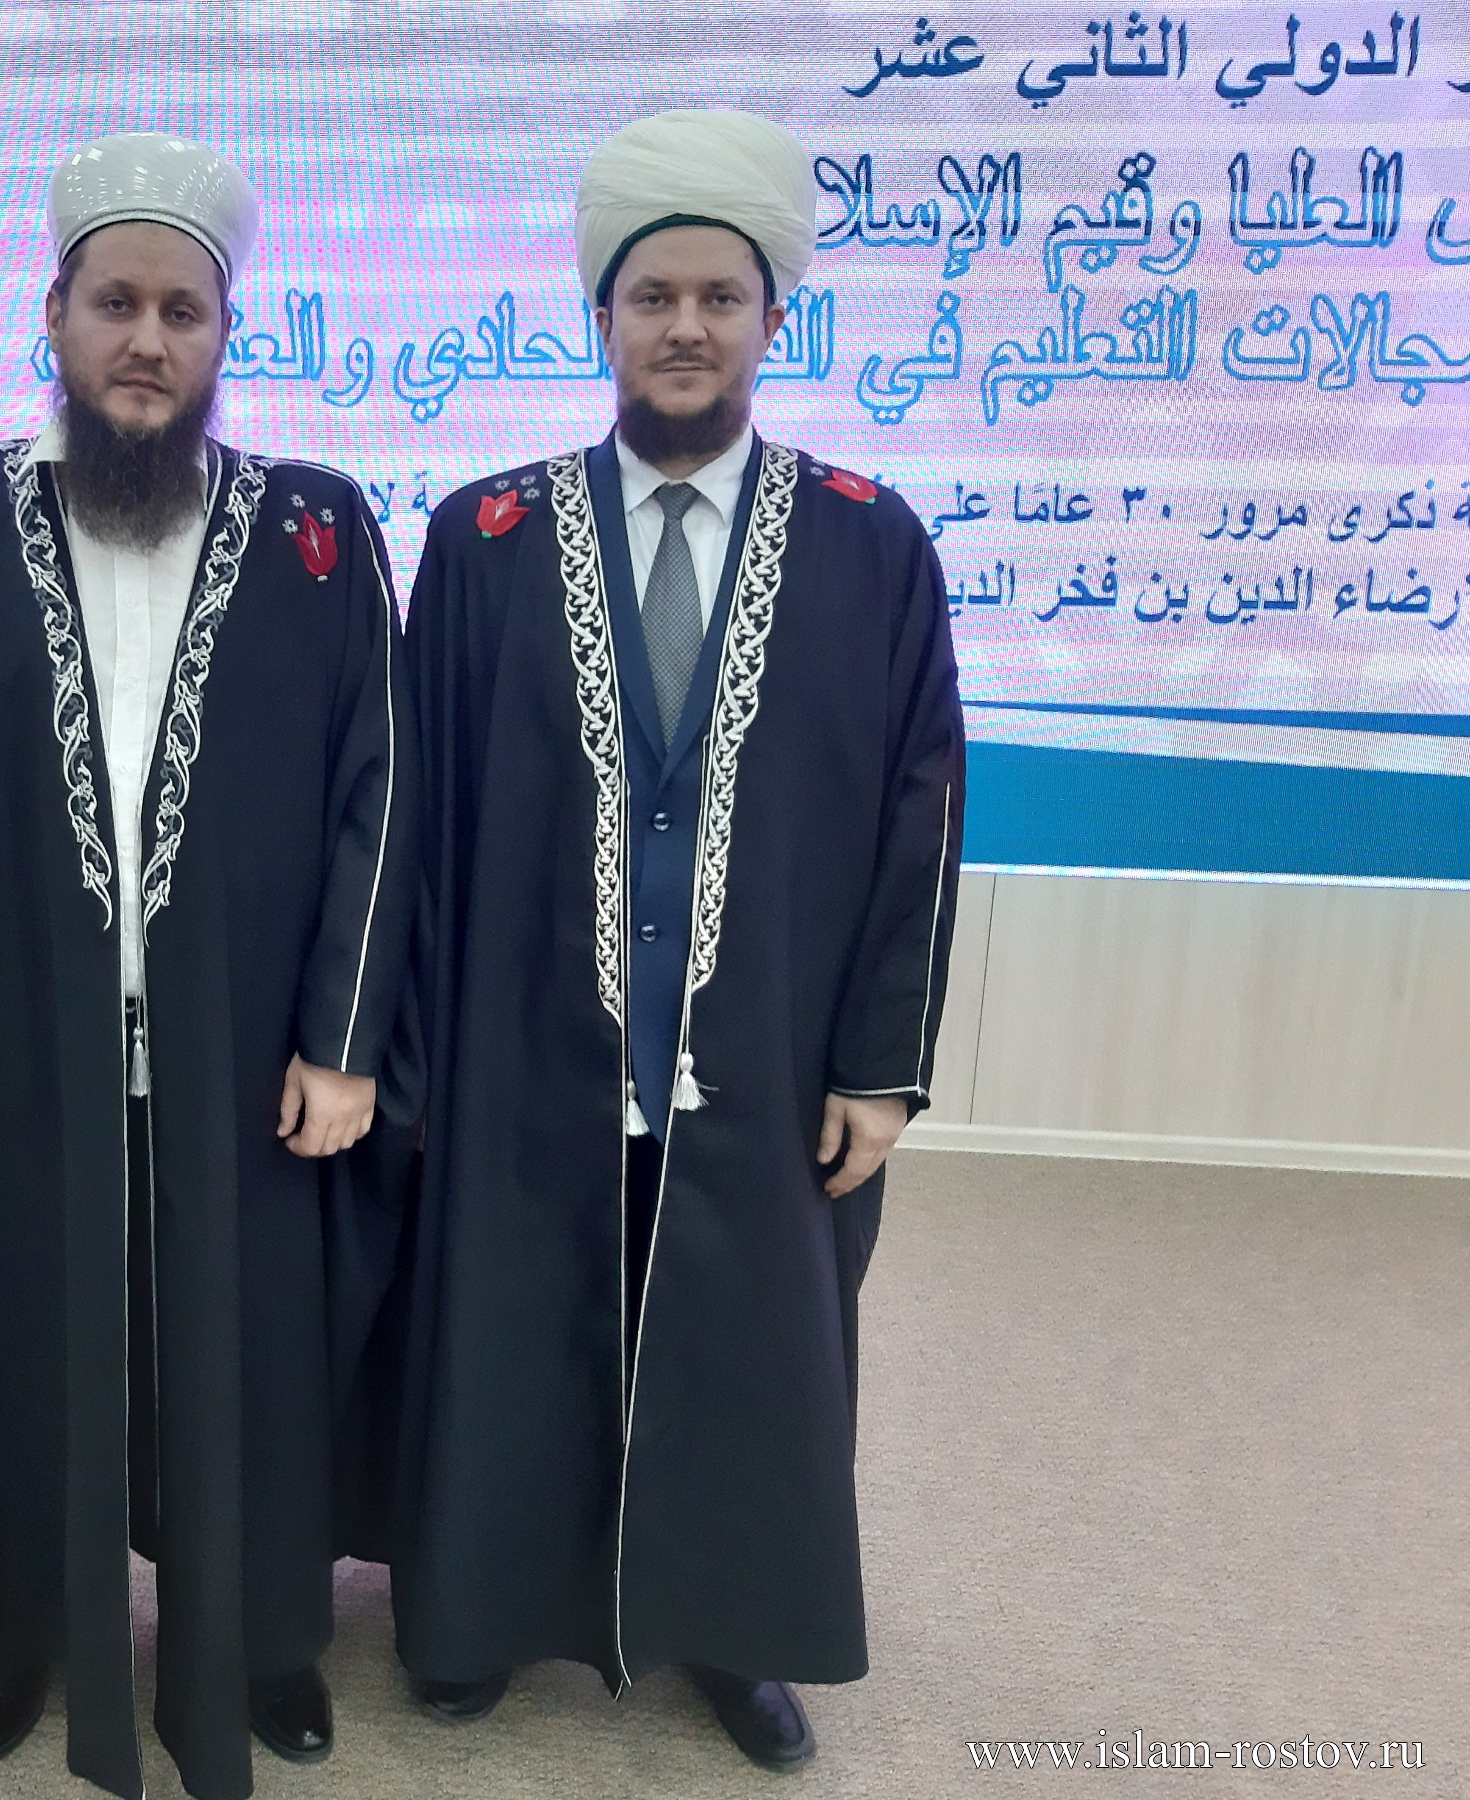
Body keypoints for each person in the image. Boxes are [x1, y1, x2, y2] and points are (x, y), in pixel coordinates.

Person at [0, 133, 415, 1800]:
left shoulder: (317, 530)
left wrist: (345, 1039)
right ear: (55, 317)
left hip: (242, 1054)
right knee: (18, 1338)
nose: (148, 340)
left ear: (224, 338)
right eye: (117, 304)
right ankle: (16, 1630)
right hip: (12, 1043)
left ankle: (261, 1643)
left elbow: (382, 788)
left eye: (183, 313)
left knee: (250, 1353)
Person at [385, 108, 966, 1769]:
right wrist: (409, 1059)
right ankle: (485, 1611)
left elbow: (922, 812)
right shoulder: (484, 542)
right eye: (655, 297)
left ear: (776, 316)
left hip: (764, 1049)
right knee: (515, 1323)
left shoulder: (870, 543)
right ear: (604, 318)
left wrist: (883, 1065)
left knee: (746, 1345)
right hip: (525, 1045)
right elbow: (410, 823)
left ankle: (733, 1631)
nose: (688, 327)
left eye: (721, 296)